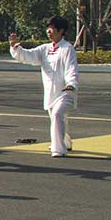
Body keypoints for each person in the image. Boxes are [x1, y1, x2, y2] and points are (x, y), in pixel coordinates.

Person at [10, 17, 79, 157]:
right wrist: (16, 47)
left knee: (57, 114)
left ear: (61, 31)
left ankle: (58, 149)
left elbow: (72, 68)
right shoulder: (44, 49)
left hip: (65, 91)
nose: (49, 31)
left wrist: (71, 84)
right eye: (48, 27)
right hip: (50, 93)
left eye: (52, 28)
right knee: (58, 118)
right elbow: (28, 56)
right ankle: (66, 142)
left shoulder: (67, 48)